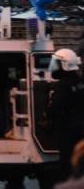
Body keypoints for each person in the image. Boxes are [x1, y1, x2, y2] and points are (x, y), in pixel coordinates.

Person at [48, 48, 84, 182]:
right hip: (79, 128)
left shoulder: (62, 85)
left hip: (67, 131)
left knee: (66, 164)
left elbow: (56, 108)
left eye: (56, 64)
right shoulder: (79, 81)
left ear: (64, 64)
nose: (53, 68)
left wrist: (48, 115)